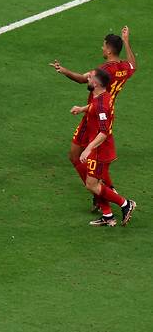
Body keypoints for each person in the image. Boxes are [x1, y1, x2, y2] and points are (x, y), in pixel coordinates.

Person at [50, 27, 137, 209]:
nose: (102, 48)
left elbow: (83, 79)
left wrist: (64, 71)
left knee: (83, 156)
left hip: (95, 115)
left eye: (104, 46)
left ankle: (104, 196)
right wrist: (126, 41)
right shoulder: (123, 68)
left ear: (109, 49)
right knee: (77, 156)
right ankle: (102, 192)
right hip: (102, 111)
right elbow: (133, 65)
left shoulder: (104, 70)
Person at [69, 68, 136, 226]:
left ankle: (126, 204)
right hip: (99, 147)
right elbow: (93, 106)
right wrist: (81, 109)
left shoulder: (101, 104)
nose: (87, 78)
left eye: (90, 77)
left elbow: (104, 132)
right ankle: (108, 216)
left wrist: (88, 148)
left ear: (97, 83)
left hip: (100, 149)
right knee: (94, 184)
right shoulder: (101, 96)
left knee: (92, 184)